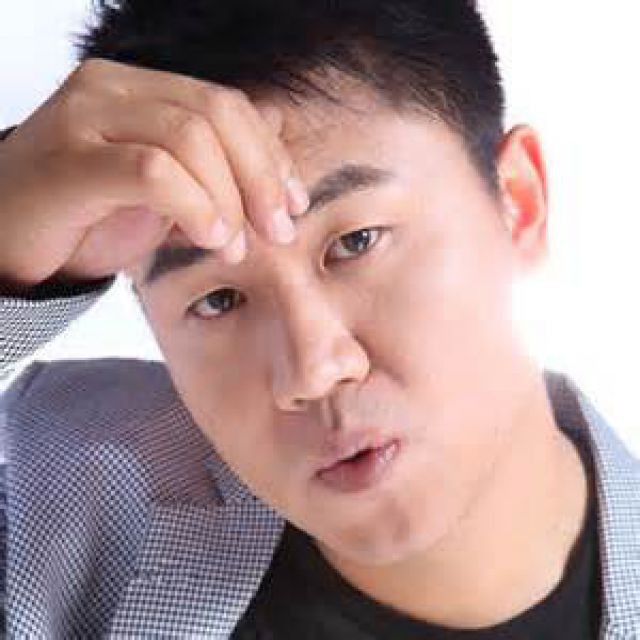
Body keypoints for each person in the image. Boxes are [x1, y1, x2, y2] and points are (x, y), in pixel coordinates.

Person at [0, 1, 637, 637]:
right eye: (218, 300)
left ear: (518, 203)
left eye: (357, 242)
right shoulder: (64, 504)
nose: (311, 370)